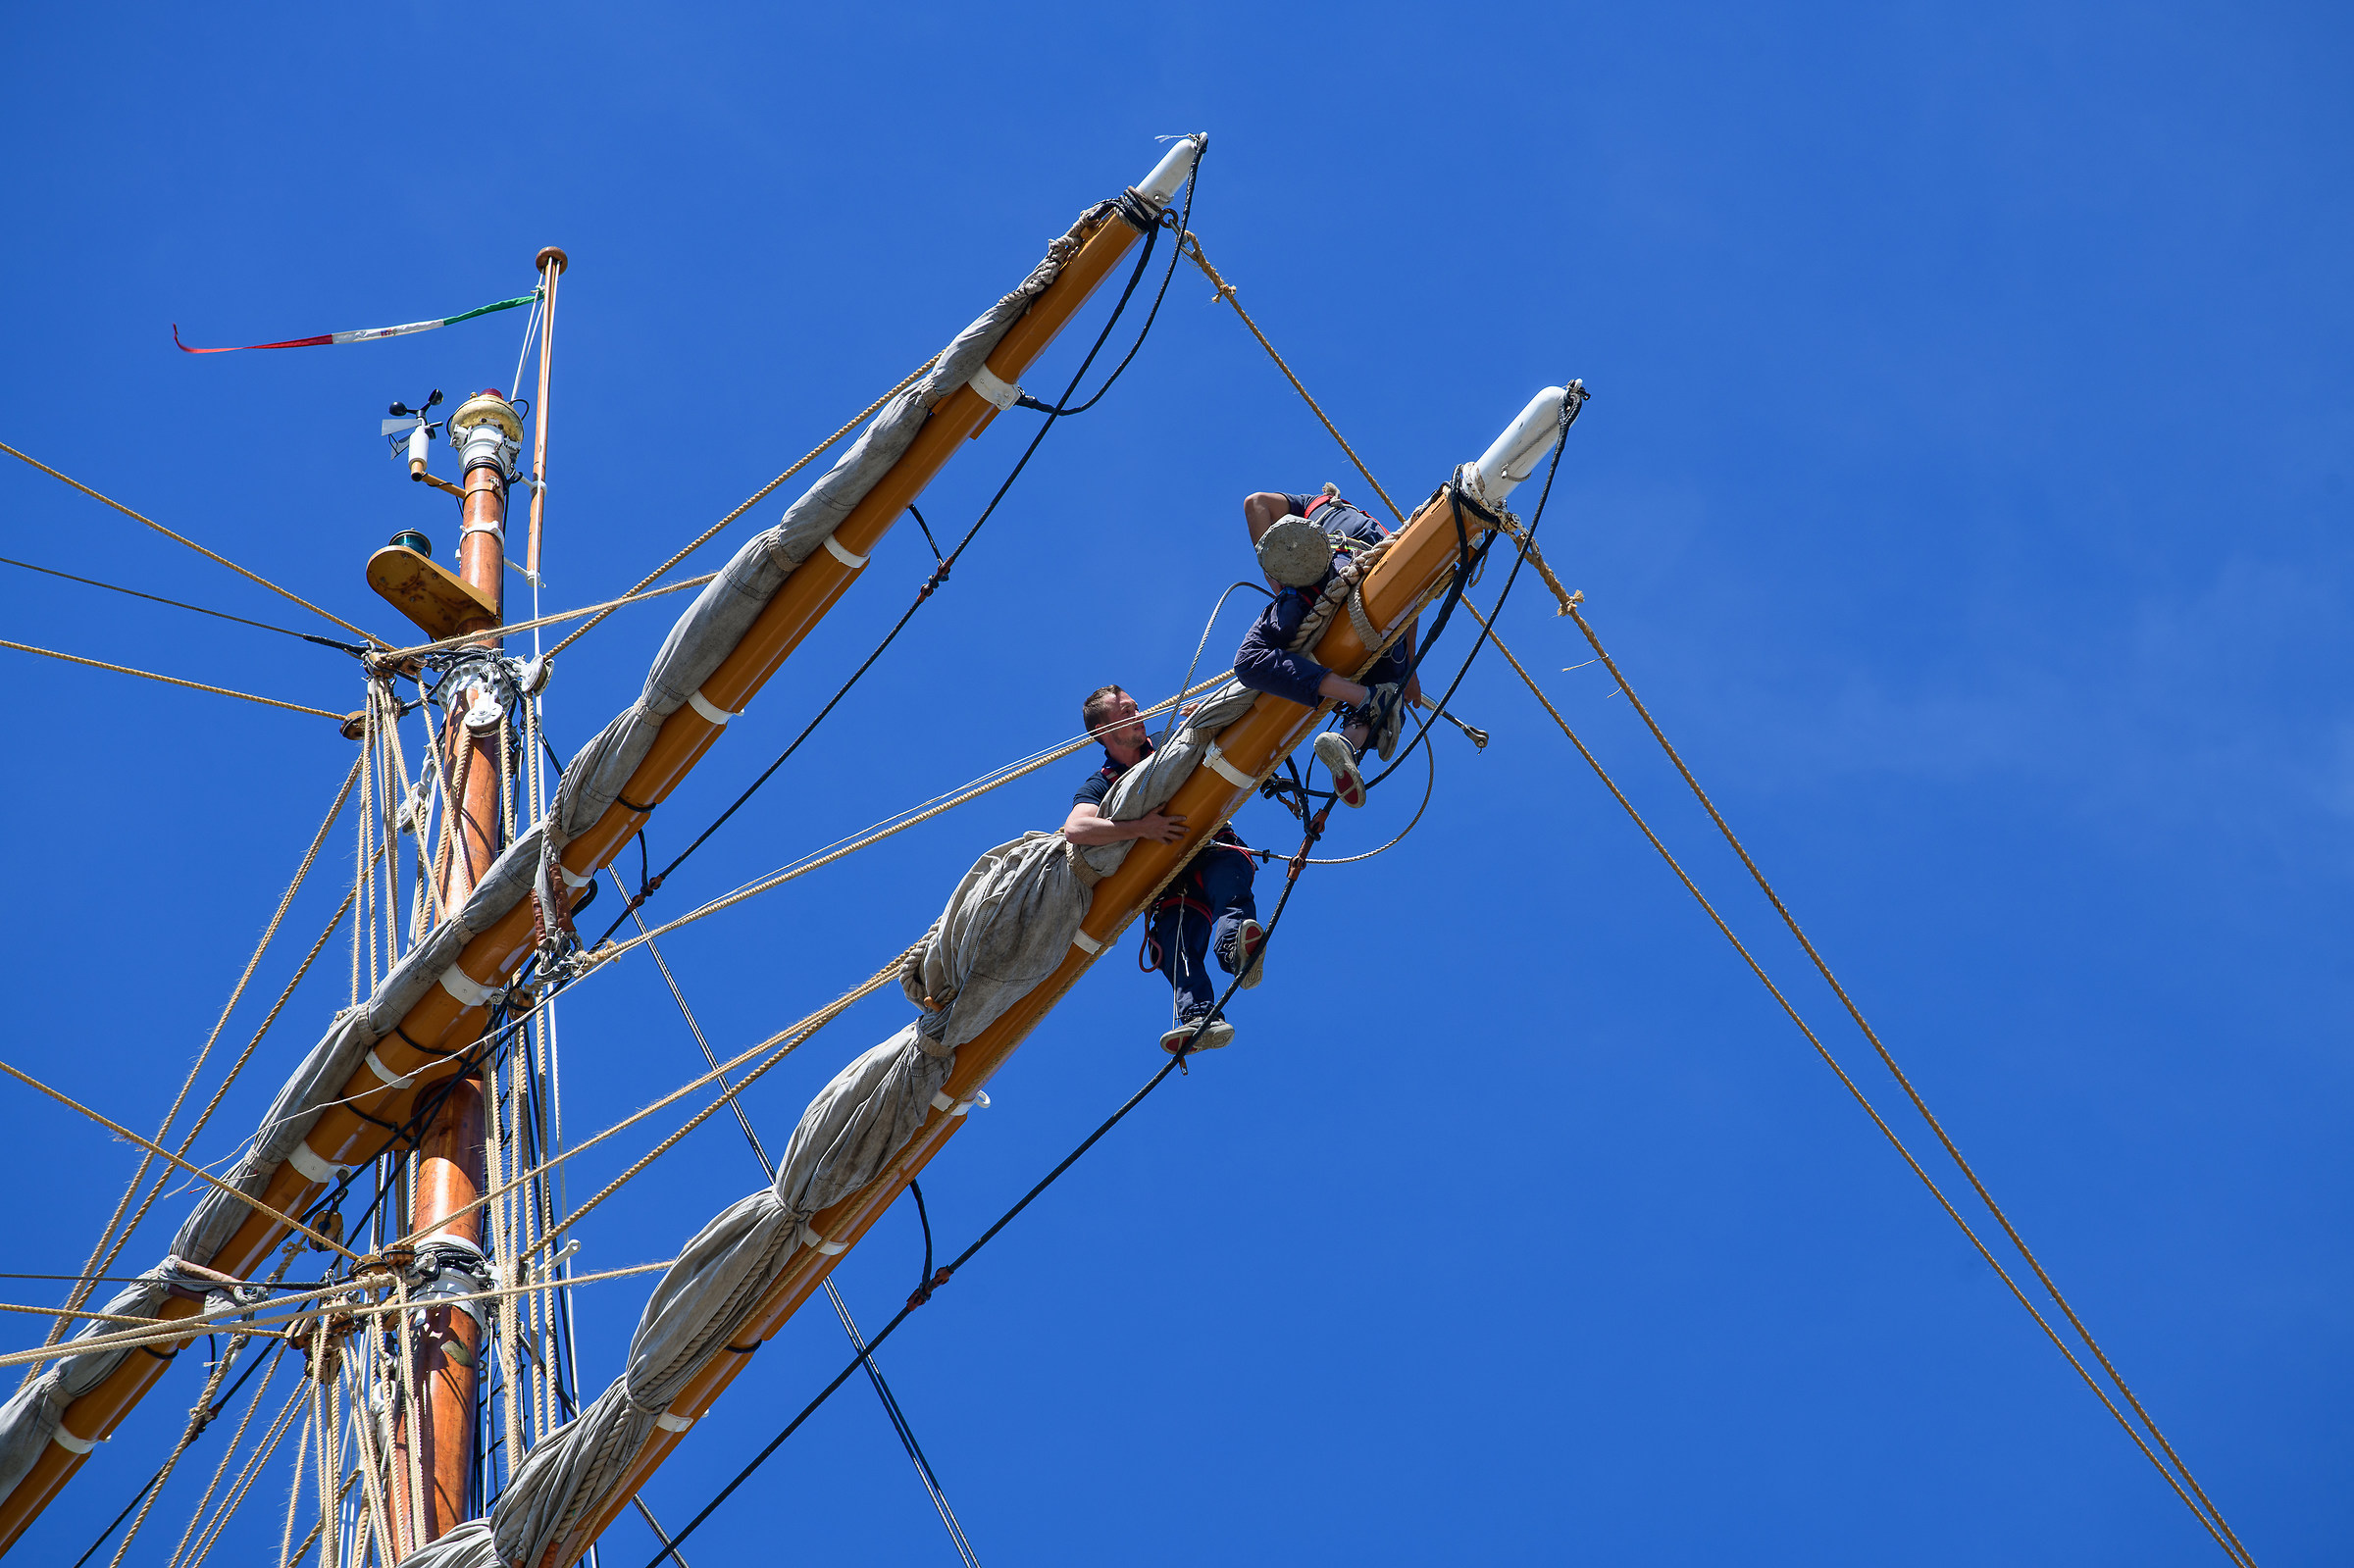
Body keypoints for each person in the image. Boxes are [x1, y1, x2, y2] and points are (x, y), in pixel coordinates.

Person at [1061, 683, 1264, 1053]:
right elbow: (1076, 829)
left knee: (1230, 883)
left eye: (1135, 706)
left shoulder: (1168, 738)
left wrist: (1208, 716)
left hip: (1211, 844)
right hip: (1169, 880)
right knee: (1175, 944)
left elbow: (1219, 734)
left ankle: (1234, 945)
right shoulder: (1101, 784)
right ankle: (1200, 1019)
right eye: (1125, 711)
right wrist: (1141, 828)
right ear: (1103, 732)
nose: (1137, 713)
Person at [1232, 486, 1422, 808]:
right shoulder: (1385, 535)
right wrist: (1412, 667)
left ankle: (1359, 711)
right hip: (1380, 603)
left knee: (1251, 660)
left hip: (1319, 582)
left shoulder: (1311, 505)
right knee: (1390, 694)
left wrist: (1277, 575)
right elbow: (1413, 599)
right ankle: (1350, 738)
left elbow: (1256, 503)